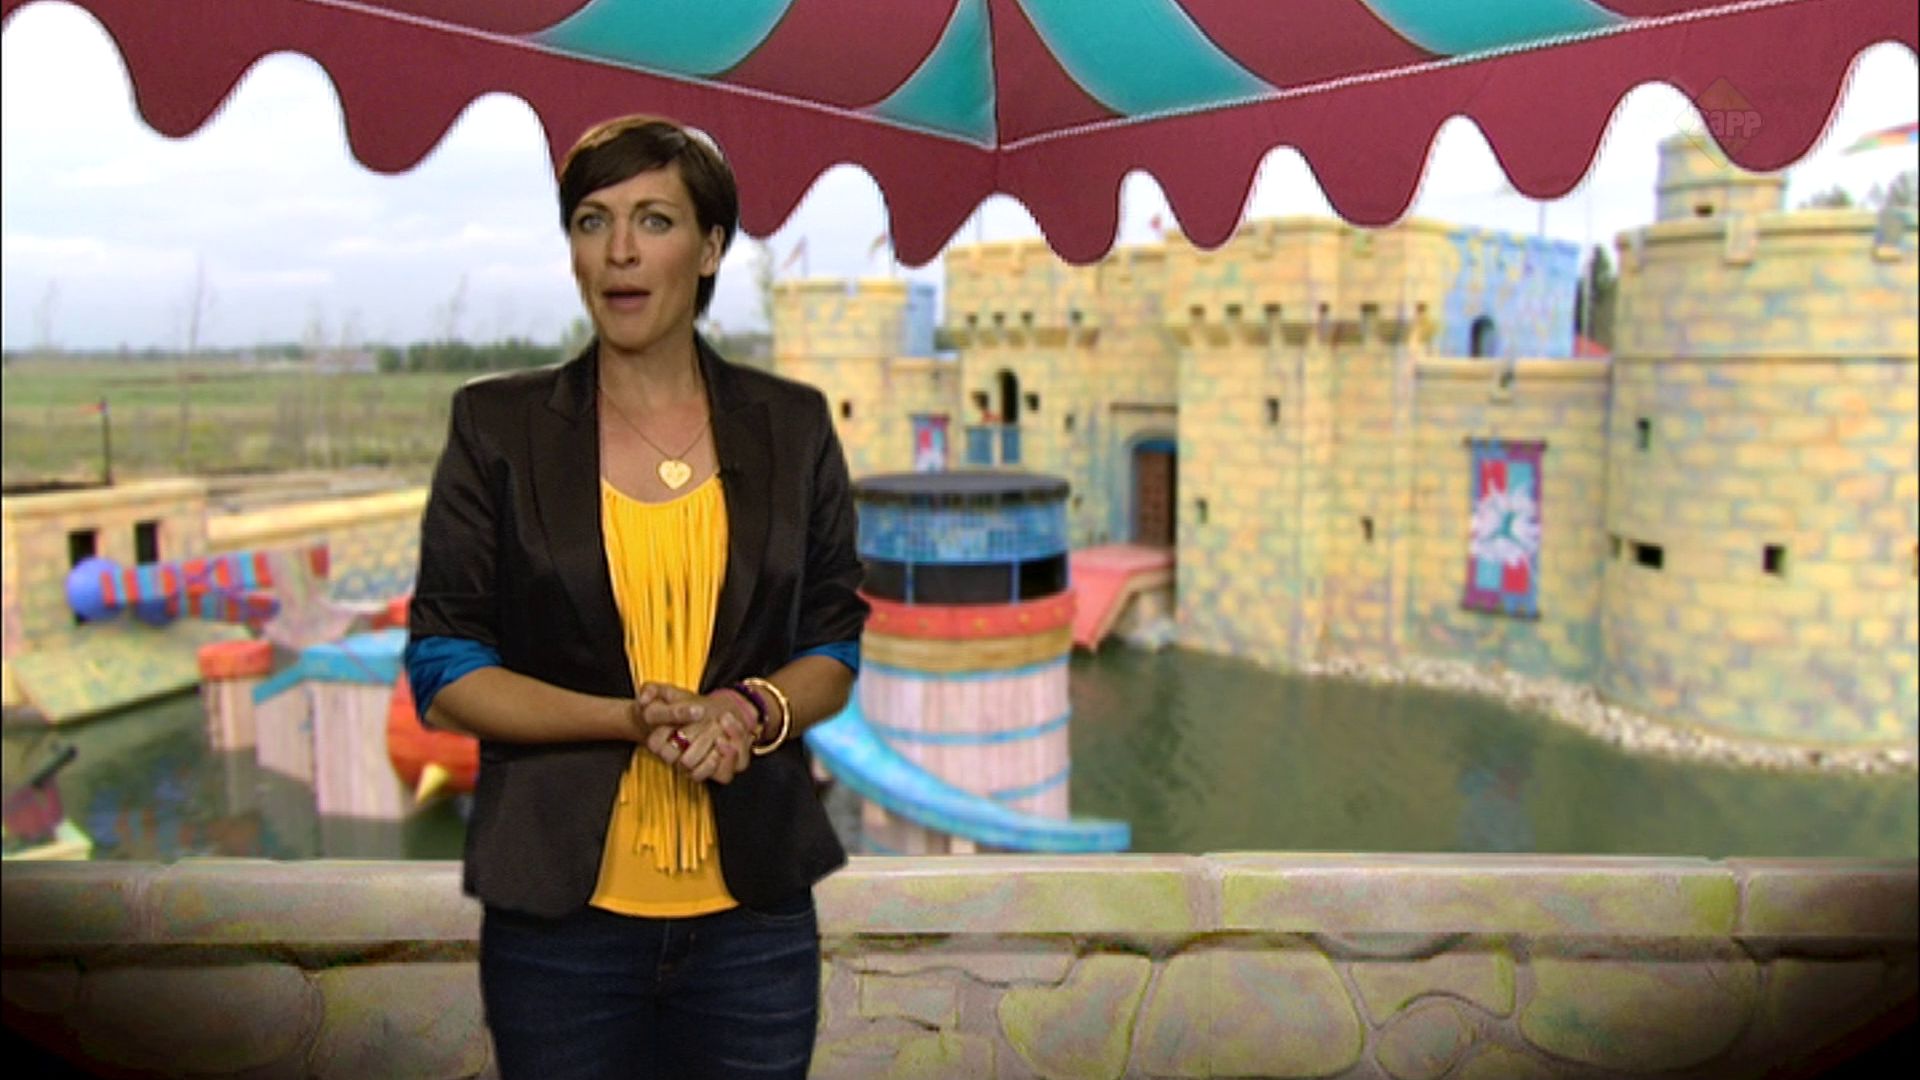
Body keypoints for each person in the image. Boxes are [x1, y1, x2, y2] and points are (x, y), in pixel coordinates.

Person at [403, 114, 867, 1080]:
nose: (619, 249)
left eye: (654, 220)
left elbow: (833, 646)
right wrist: (624, 719)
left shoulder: (793, 426)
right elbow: (444, 667)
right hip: (557, 931)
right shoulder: (497, 428)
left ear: (709, 249)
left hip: (754, 926)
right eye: (592, 220)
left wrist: (750, 710)